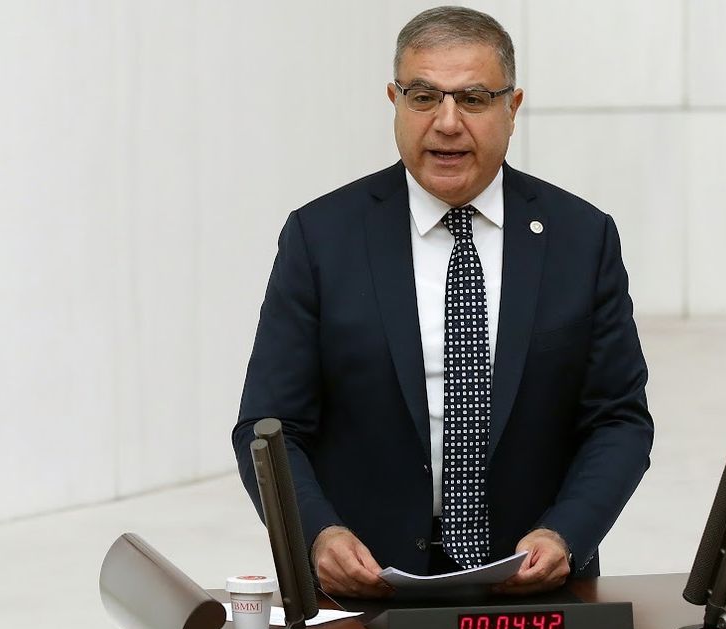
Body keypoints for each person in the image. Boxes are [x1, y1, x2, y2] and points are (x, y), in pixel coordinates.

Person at [233, 6, 652, 598]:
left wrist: (566, 534)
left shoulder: (581, 238)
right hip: (367, 591)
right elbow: (267, 427)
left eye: (474, 99)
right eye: (424, 97)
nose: (447, 123)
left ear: (513, 108)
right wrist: (318, 535)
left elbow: (619, 420)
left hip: (534, 591)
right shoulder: (321, 238)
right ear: (395, 101)